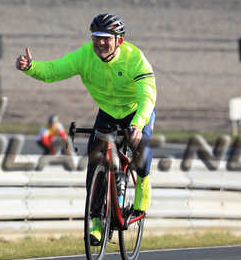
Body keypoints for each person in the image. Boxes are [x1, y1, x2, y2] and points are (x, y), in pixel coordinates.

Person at [15, 13, 156, 244]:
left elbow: (147, 97)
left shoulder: (135, 59)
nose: (100, 43)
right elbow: (54, 70)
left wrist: (138, 125)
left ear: (119, 41)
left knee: (139, 144)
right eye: (96, 37)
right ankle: (97, 222)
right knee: (95, 161)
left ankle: (143, 186)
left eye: (106, 38)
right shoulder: (85, 56)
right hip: (108, 111)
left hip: (136, 109)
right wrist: (31, 67)